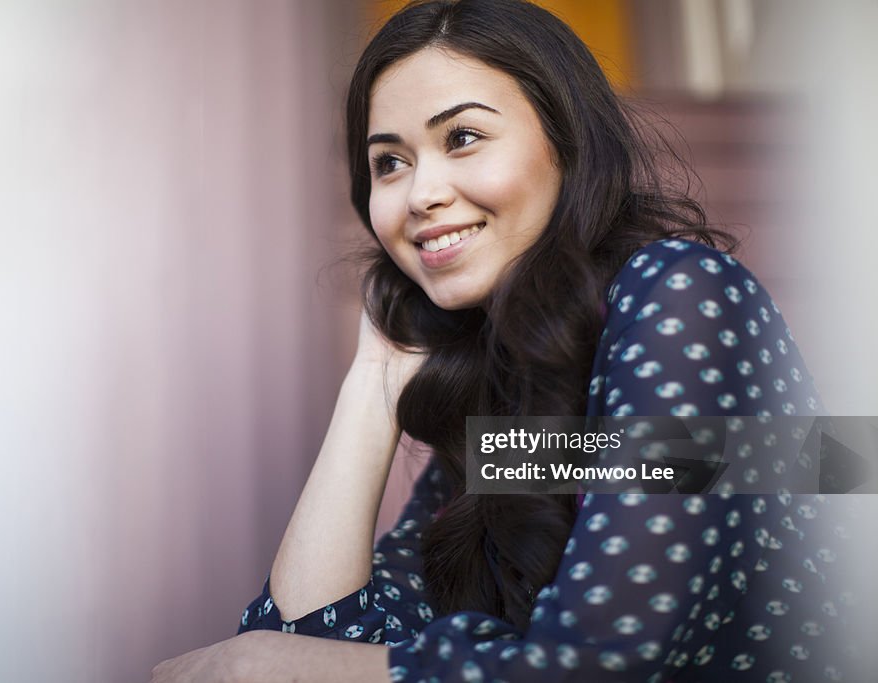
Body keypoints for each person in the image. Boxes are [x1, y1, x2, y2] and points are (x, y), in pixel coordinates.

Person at [151, 1, 858, 680]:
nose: (421, 192)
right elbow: (317, 642)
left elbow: (601, 659)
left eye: (462, 137)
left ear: (565, 143)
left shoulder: (683, 290)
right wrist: (374, 379)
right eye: (388, 162)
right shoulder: (513, 407)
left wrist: (269, 663)